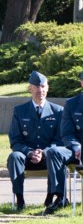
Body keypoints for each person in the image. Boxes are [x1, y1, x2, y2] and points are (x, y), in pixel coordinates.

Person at [7, 71, 68, 214]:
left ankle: (50, 198)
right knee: (14, 157)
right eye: (36, 86)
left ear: (48, 88)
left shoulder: (58, 111)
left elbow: (60, 139)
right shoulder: (20, 111)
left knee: (54, 155)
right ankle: (20, 200)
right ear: (30, 89)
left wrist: (44, 151)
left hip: (48, 156)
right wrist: (29, 152)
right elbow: (15, 140)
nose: (40, 90)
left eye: (43, 86)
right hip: (26, 157)